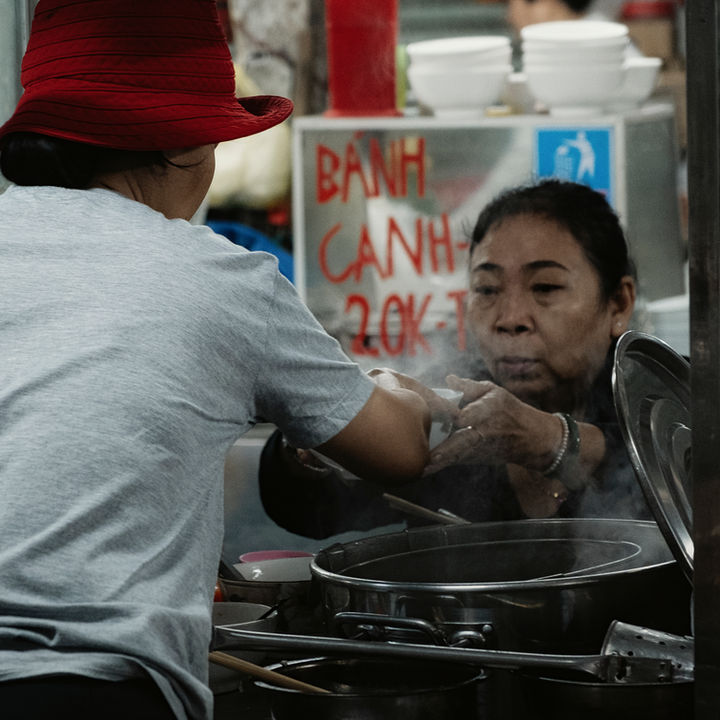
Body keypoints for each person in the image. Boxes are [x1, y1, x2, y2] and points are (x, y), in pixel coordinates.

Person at [0, 2, 431, 720]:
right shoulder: (219, 280)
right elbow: (402, 449)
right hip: (86, 690)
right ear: (189, 146)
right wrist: (398, 389)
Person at [260, 179, 653, 539]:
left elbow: (696, 473)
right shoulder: (451, 406)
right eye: (487, 289)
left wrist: (550, 440)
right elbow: (308, 511)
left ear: (618, 303)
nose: (510, 319)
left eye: (545, 287)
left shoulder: (660, 394)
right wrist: (321, 433)